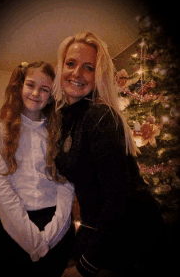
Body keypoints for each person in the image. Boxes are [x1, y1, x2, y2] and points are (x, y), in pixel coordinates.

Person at [50, 31, 166, 276]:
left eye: (88, 67)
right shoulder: (66, 117)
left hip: (133, 230)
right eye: (70, 63)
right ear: (61, 68)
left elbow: (118, 199)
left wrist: (85, 266)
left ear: (98, 75)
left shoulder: (101, 116)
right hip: (98, 223)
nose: (77, 73)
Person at [0, 61, 75, 277]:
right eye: (31, 85)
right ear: (20, 86)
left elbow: (66, 183)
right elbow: (1, 186)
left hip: (56, 224)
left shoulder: (58, 130)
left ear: (51, 95)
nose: (36, 93)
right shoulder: (0, 129)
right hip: (15, 227)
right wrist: (33, 241)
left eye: (45, 89)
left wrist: (52, 235)